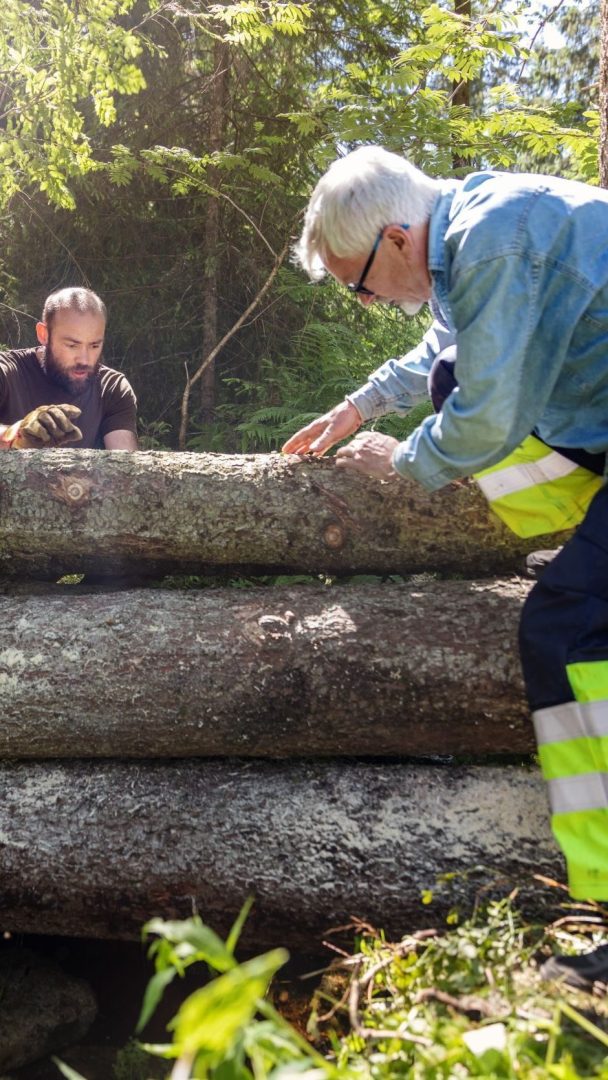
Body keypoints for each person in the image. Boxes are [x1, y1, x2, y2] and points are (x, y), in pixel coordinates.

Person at [282, 145, 608, 991]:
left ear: (396, 239)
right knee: (441, 375)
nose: (366, 301)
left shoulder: (496, 241)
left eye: (359, 283)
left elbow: (488, 414)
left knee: (567, 628)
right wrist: (358, 406)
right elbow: (442, 349)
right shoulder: (473, 234)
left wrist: (398, 464)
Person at [0, 287, 138, 451]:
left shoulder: (112, 388)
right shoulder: (6, 371)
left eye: (94, 345)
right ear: (44, 334)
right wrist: (17, 435)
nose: (85, 360)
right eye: (72, 345)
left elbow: (124, 465)